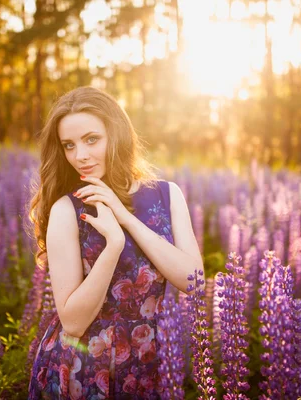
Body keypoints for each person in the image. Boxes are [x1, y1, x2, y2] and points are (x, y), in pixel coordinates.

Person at [27, 86, 204, 399]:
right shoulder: (66, 209)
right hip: (86, 367)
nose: (80, 155)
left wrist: (125, 218)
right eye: (69, 145)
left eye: (91, 139)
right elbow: (73, 323)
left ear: (117, 134)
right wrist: (113, 246)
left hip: (153, 360)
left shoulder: (167, 195)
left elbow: (194, 281)